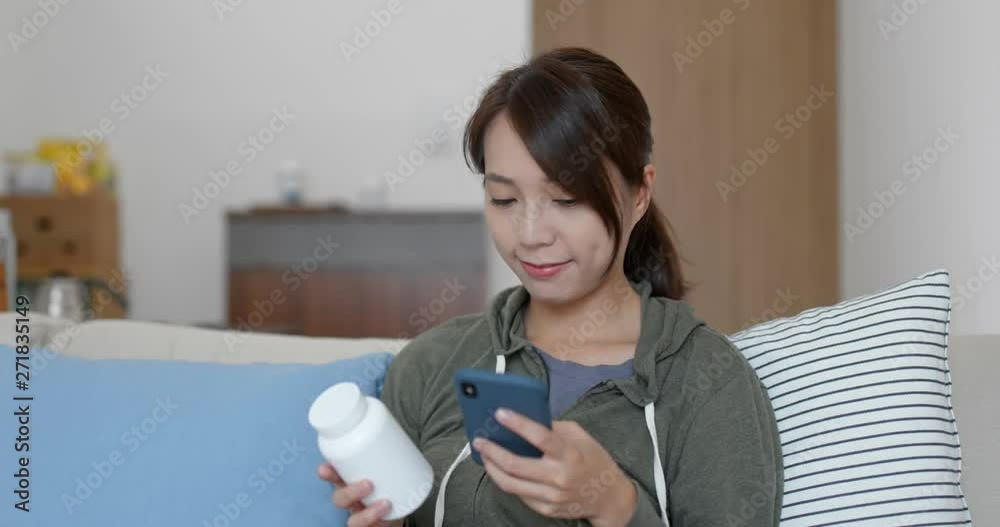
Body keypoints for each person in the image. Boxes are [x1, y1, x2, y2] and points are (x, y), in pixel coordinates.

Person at [318, 47, 783, 527]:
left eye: (566, 198)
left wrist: (615, 505)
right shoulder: (432, 363)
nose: (531, 234)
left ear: (639, 193)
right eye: (504, 199)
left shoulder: (706, 382)